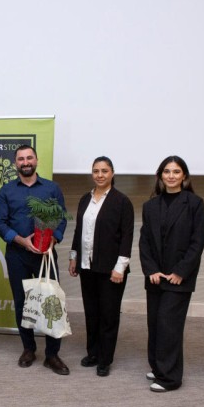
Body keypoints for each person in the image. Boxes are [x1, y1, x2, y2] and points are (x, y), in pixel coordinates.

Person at [0, 145, 69, 375]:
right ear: (15, 163)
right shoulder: (7, 190)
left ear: (36, 160)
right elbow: (0, 222)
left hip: (46, 256)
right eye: (21, 159)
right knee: (22, 303)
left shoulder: (51, 188)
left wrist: (53, 239)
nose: (25, 162)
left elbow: (61, 219)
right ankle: (28, 348)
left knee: (51, 303)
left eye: (29, 158)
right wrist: (20, 240)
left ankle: (52, 354)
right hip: (17, 255)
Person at [138, 156, 204, 392]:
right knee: (155, 324)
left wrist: (180, 272)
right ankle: (158, 367)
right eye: (167, 171)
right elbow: (145, 241)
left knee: (169, 326)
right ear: (160, 176)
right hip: (155, 277)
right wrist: (151, 270)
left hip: (179, 278)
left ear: (184, 176)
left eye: (176, 172)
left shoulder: (195, 204)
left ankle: (170, 378)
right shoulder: (150, 206)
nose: (171, 176)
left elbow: (197, 242)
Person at [68, 156, 134, 377]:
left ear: (112, 173)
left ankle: (105, 360)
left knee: (108, 315)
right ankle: (93, 353)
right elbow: (78, 231)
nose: (100, 175)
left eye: (104, 171)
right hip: (87, 266)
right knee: (92, 313)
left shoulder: (122, 201)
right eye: (96, 171)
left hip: (111, 270)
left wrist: (120, 267)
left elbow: (127, 236)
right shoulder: (84, 199)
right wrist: (73, 257)